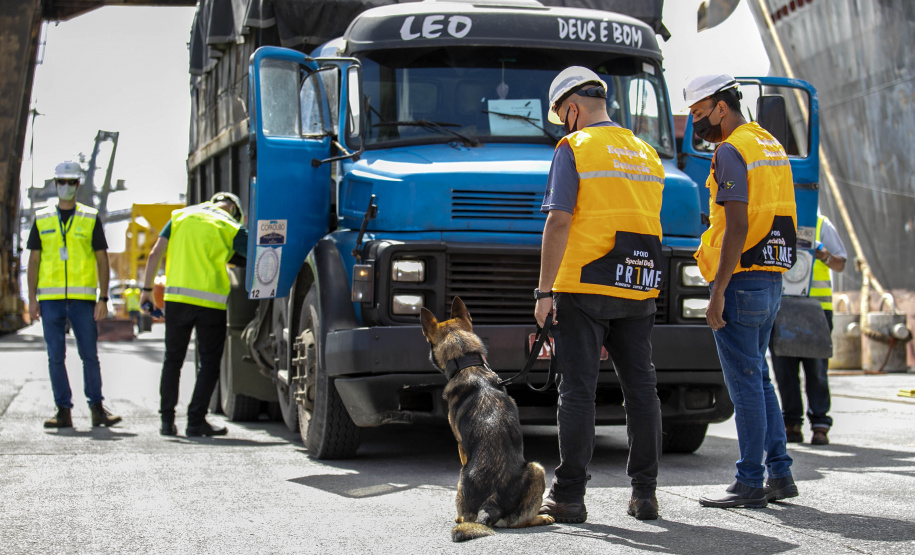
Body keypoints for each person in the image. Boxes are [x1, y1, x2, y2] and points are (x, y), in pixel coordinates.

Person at [535, 67, 665, 523]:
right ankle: (644, 494)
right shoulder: (646, 152)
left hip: (584, 284)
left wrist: (544, 291)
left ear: (572, 108)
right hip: (638, 283)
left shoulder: (575, 148)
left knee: (578, 392)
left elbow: (559, 220)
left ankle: (569, 496)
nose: (562, 125)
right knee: (642, 391)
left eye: (560, 117)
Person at [684, 74, 799, 508]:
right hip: (771, 279)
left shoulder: (732, 150)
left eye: (699, 114)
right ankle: (780, 473)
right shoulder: (769, 144)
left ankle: (750, 480)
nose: (698, 124)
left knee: (746, 384)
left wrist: (718, 291)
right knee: (761, 378)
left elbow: (737, 224)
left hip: (740, 279)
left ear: (721, 106)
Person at [140, 192, 247, 437]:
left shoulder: (180, 216)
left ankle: (167, 422)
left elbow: (156, 252)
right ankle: (196, 421)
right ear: (234, 209)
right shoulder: (230, 225)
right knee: (208, 364)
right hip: (211, 304)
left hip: (177, 301)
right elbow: (258, 256)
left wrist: (146, 290)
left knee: (172, 360)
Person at [26, 160, 122, 429]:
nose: (66, 187)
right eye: (61, 182)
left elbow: (102, 260)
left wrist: (103, 298)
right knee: (55, 356)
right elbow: (34, 261)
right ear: (55, 184)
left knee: (89, 355)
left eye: (71, 182)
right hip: (50, 301)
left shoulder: (90, 218)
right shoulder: (42, 218)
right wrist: (33, 299)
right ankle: (63, 411)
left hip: (82, 300)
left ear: (78, 185)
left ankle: (96, 409)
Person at [772, 214, 847, 445]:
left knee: (816, 370)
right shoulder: (773, 220)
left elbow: (840, 263)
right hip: (783, 306)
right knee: (785, 372)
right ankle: (792, 423)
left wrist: (824, 256)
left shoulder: (821, 224)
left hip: (816, 308)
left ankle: (820, 425)